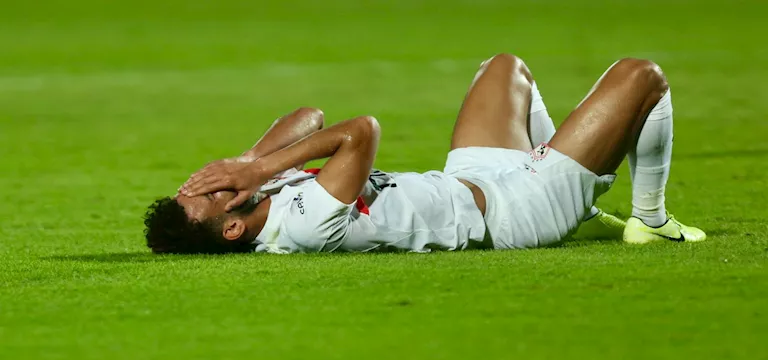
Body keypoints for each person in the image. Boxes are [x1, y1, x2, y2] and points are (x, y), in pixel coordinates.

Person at [144, 54, 705, 254]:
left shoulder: (258, 190)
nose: (211, 185)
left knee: (504, 67)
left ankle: (579, 198)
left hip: (470, 177)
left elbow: (309, 116)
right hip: (515, 213)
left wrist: (247, 162)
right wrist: (263, 168)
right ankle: (651, 220)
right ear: (232, 229)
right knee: (641, 76)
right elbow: (359, 131)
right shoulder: (303, 226)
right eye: (207, 198)